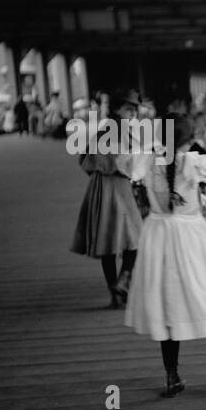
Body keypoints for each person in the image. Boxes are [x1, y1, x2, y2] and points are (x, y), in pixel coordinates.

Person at [124, 123, 206, 395]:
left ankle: (171, 376)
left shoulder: (146, 159)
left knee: (166, 304)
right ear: (189, 140)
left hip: (157, 234)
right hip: (191, 236)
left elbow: (128, 165)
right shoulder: (192, 162)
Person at [69, 90, 142, 308]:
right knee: (136, 238)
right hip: (118, 186)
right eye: (129, 108)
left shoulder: (104, 129)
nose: (133, 113)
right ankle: (124, 279)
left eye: (135, 109)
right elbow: (130, 162)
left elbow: (84, 159)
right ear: (117, 109)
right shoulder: (122, 130)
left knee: (106, 242)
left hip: (98, 188)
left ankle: (115, 292)